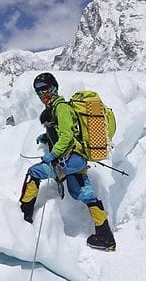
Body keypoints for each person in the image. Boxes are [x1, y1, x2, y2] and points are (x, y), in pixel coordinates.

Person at [18, 72, 117, 251]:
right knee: (84, 193)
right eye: (38, 90)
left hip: (68, 160)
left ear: (54, 87)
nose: (42, 93)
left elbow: (67, 136)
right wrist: (46, 136)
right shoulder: (56, 108)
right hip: (76, 160)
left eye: (45, 88)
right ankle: (106, 237)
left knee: (34, 173)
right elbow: (65, 131)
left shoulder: (61, 108)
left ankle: (23, 218)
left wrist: (52, 155)